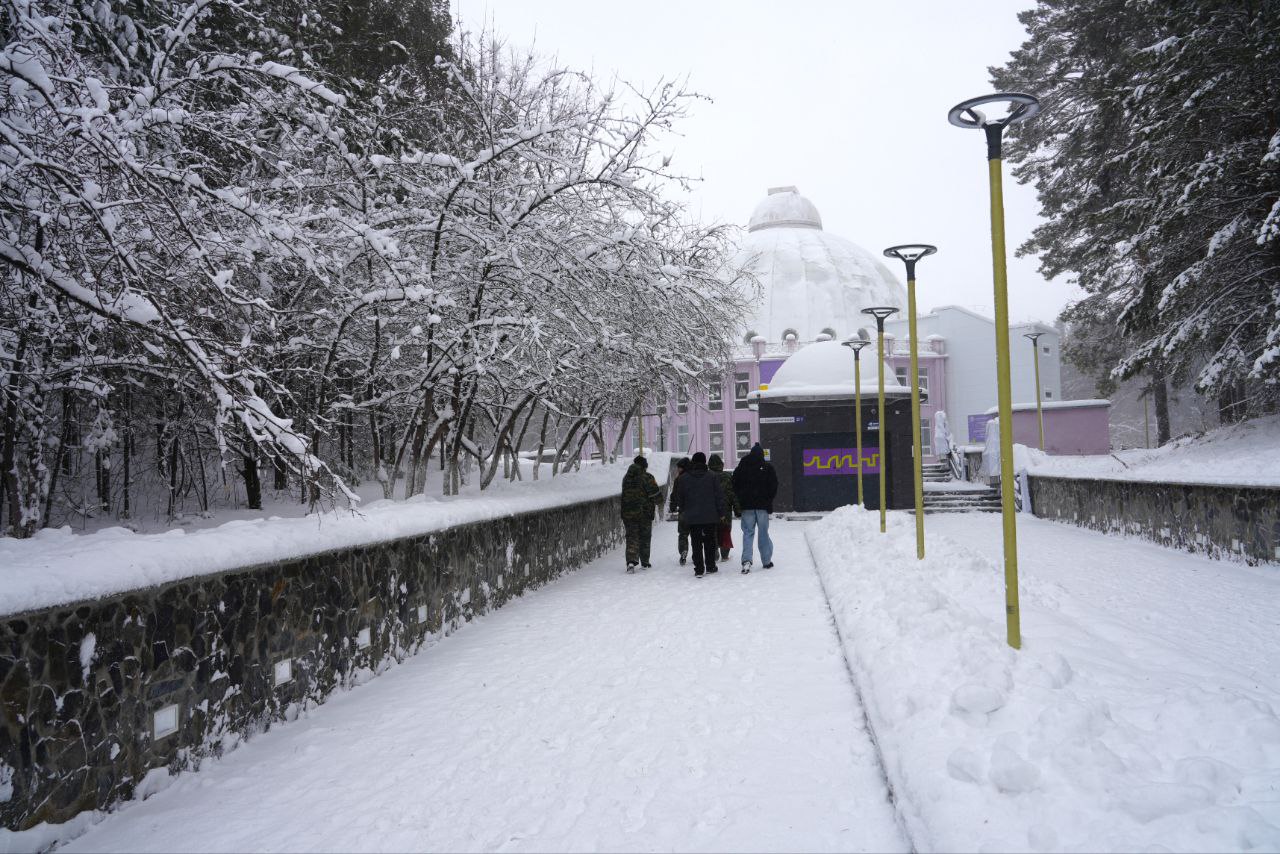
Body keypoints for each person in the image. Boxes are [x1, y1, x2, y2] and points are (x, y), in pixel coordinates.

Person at [671, 451, 725, 578]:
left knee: (696, 542)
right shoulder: (712, 476)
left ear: (693, 462)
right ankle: (711, 566)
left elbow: (681, 497)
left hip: (692, 516)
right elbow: (719, 497)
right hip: (710, 516)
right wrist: (721, 513)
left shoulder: (684, 478)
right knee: (710, 541)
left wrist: (684, 510)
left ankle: (699, 569)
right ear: (705, 461)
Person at [731, 442, 778, 574]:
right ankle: (766, 560)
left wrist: (741, 497)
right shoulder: (768, 468)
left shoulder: (742, 467)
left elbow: (734, 483)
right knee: (763, 533)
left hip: (747, 507)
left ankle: (746, 561)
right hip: (762, 507)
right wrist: (768, 499)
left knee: (748, 533)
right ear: (762, 454)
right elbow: (774, 486)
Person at [620, 454, 662, 573]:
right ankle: (645, 561)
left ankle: (631, 562)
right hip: (644, 513)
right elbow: (655, 494)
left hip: (628, 513)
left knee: (632, 537)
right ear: (645, 466)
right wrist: (659, 501)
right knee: (645, 537)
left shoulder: (626, 478)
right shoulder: (647, 477)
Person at [708, 454, 740, 561]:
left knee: (712, 531)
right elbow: (733, 494)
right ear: (721, 465)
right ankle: (725, 554)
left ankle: (714, 552)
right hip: (725, 508)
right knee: (725, 530)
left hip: (711, 509)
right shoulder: (727, 476)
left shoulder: (707, 476)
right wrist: (737, 509)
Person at [668, 457, 691, 564]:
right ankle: (697, 553)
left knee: (683, 534)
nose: (678, 470)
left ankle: (683, 551)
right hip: (696, 511)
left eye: (679, 468)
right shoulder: (696, 477)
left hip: (684, 511)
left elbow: (674, 495)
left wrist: (672, 506)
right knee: (696, 534)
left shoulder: (679, 479)